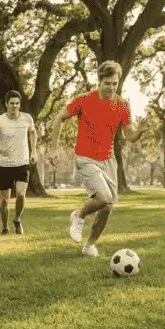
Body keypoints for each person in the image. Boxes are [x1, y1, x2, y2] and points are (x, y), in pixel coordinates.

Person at [48, 61, 149, 257]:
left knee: (107, 207)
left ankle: (89, 246)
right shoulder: (84, 100)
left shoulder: (122, 105)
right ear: (99, 82)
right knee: (103, 197)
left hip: (108, 160)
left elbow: (129, 137)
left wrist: (139, 132)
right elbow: (59, 117)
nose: (111, 88)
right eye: (107, 83)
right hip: (85, 159)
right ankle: (78, 215)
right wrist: (53, 148)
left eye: (115, 83)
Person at [0, 90, 36, 235]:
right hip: (5, 165)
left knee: (21, 194)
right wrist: (0, 150)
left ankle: (17, 220)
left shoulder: (27, 118)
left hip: (23, 162)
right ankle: (4, 227)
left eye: (17, 103)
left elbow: (33, 133)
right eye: (12, 104)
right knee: (4, 200)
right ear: (6, 104)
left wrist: (34, 151)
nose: (15, 106)